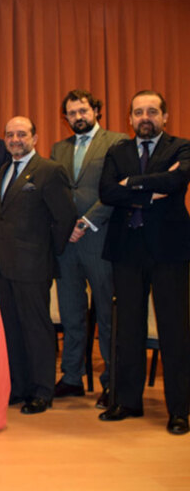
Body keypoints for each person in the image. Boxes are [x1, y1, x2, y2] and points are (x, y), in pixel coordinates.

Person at [98, 90, 190, 435]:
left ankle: (180, 410)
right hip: (126, 249)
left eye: (152, 111)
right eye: (138, 112)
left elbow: (177, 180)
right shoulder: (117, 150)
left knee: (174, 330)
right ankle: (127, 402)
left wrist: (133, 184)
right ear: (130, 118)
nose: (144, 117)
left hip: (169, 250)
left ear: (165, 116)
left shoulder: (181, 147)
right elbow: (107, 192)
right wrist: (152, 192)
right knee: (128, 329)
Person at [49, 90, 127, 408]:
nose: (78, 116)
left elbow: (118, 188)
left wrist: (86, 222)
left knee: (108, 316)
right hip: (67, 243)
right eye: (71, 112)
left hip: (101, 238)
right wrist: (66, 226)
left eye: (83, 110)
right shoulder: (59, 148)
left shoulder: (118, 142)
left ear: (96, 110)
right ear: (65, 118)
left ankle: (114, 380)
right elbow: (57, 192)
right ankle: (72, 377)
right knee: (71, 313)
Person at [0, 116, 75, 415]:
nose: (15, 139)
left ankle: (42, 391)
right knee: (12, 330)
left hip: (33, 266)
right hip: (3, 267)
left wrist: (47, 253)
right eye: (10, 134)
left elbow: (65, 217)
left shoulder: (50, 170)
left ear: (35, 137)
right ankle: (20, 388)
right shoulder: (4, 170)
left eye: (22, 134)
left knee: (37, 329)